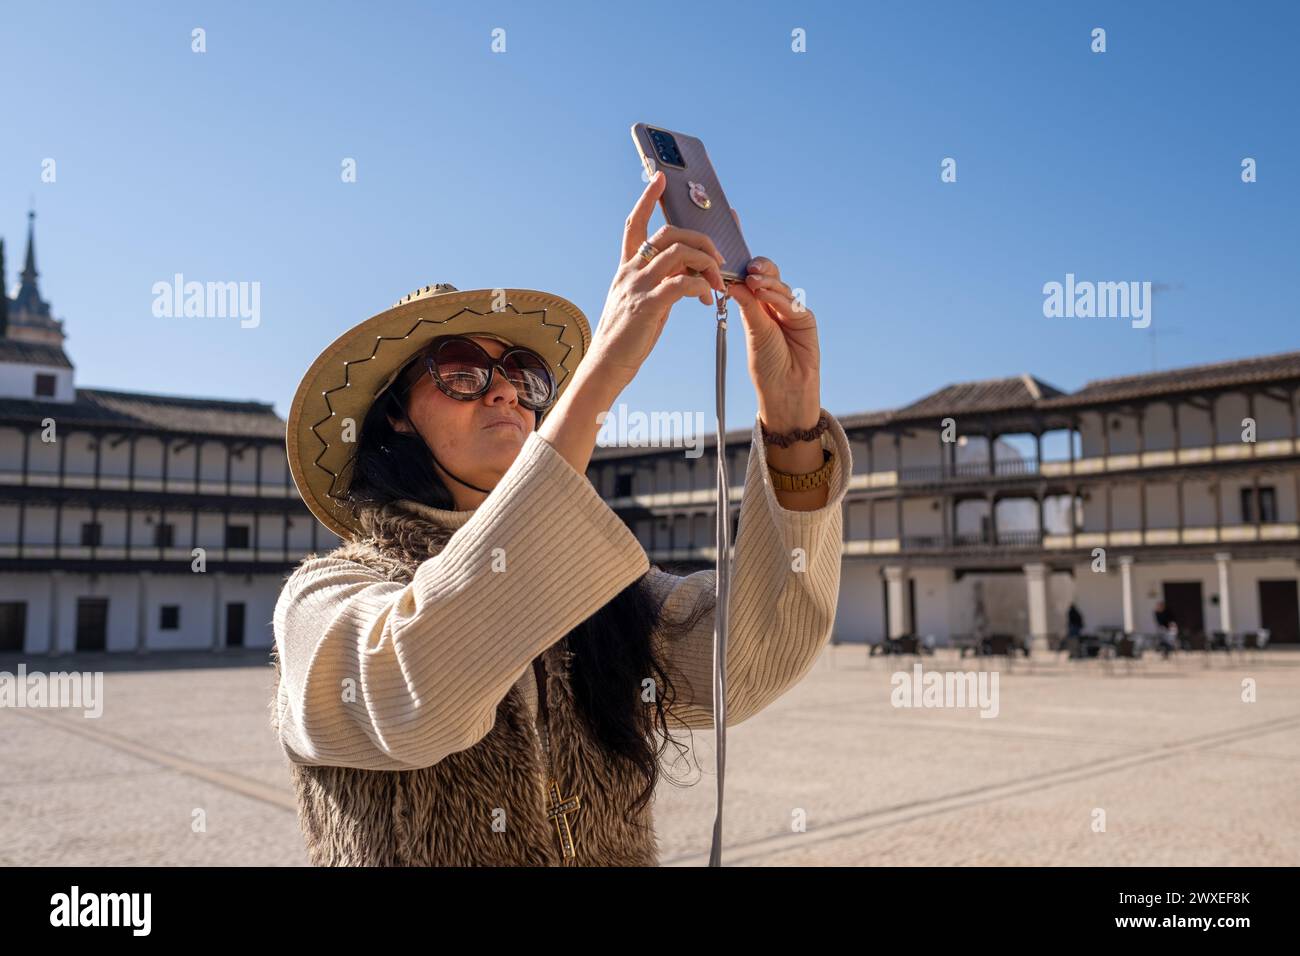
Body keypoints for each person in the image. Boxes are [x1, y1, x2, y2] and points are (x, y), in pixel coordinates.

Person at [269, 170, 852, 866]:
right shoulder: (323, 599)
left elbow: (751, 659)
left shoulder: (598, 595)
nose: (507, 392)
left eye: (526, 374)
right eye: (461, 370)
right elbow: (415, 692)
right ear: (394, 413)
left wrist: (791, 422)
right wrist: (600, 375)